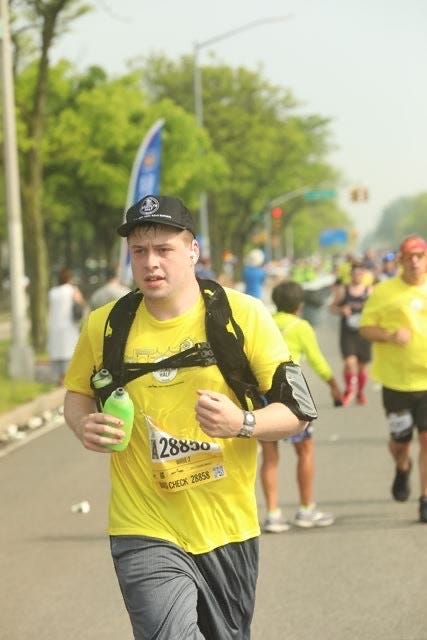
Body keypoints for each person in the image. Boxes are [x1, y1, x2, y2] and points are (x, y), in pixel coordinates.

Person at [63, 194, 307, 640]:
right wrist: (83, 424)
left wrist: (243, 423)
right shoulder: (106, 324)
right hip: (143, 523)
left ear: (193, 251)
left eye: (164, 250)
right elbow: (77, 395)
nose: (151, 263)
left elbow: (297, 413)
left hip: (226, 526)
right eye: (140, 251)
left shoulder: (243, 316)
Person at [260, 281, 341, 532]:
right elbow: (317, 360)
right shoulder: (301, 326)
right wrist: (333, 385)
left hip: (263, 391)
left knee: (269, 457)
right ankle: (306, 509)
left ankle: (273, 514)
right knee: (304, 451)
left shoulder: (264, 321)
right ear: (300, 305)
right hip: (292, 393)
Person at [359, 235, 427, 523]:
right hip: (396, 382)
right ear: (400, 260)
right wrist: (389, 335)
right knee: (401, 443)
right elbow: (365, 328)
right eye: (409, 256)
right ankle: (402, 466)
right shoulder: (384, 292)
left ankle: (424, 499)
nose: (415, 261)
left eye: (420, 256)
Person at [329, 260, 373, 405]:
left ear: (364, 274)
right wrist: (341, 310)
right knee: (349, 362)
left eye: (360, 273)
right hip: (348, 332)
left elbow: (377, 310)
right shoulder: (344, 290)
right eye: (355, 273)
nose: (358, 276)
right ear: (350, 274)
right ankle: (349, 391)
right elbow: (332, 307)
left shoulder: (369, 291)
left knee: (361, 366)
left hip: (363, 331)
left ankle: (360, 393)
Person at [47, 267, 85, 385]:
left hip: (55, 325)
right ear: (69, 278)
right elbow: (81, 304)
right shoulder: (72, 290)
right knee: (69, 351)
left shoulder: (52, 292)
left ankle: (59, 377)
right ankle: (66, 377)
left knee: (57, 351)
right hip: (69, 325)